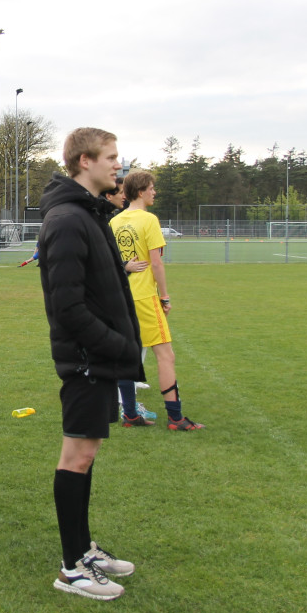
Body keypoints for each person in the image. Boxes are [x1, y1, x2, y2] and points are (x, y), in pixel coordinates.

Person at [37, 128, 141, 600]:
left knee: (86, 455)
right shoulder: (66, 220)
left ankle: (82, 551)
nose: (118, 165)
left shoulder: (90, 212)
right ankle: (70, 568)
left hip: (97, 359)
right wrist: (116, 344)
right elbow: (68, 308)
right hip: (84, 361)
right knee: (75, 457)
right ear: (84, 161)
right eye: (112, 158)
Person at [110, 170, 203, 431]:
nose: (154, 192)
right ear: (140, 191)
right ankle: (176, 418)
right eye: (151, 188)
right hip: (143, 295)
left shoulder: (115, 221)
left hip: (121, 297)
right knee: (165, 355)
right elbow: (156, 263)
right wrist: (164, 296)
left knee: (128, 356)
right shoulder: (148, 220)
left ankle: (129, 414)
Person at [100, 181, 155, 426]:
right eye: (120, 192)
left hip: (121, 289)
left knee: (135, 340)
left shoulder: (112, 219)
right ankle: (123, 399)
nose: (124, 196)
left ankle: (127, 392)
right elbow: (102, 260)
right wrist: (125, 267)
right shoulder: (107, 221)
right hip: (119, 291)